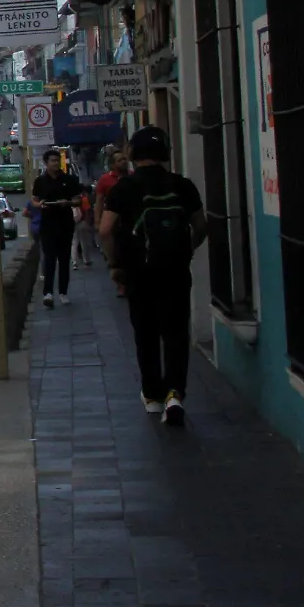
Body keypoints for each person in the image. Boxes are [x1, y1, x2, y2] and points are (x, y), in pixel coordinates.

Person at [100, 126, 208, 426]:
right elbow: (201, 226)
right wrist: (186, 251)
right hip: (175, 272)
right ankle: (175, 393)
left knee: (145, 335)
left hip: (139, 274)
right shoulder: (183, 186)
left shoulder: (123, 188)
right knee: (176, 333)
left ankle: (152, 396)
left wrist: (115, 264)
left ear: (133, 154)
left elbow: (105, 230)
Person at [32, 149, 83, 307]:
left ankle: (63, 291)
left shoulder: (69, 179)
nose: (55, 163)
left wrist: (67, 203)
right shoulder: (40, 181)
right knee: (49, 260)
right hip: (47, 224)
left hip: (65, 223)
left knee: (64, 259)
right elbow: (34, 200)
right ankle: (48, 293)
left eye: (57, 160)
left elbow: (77, 200)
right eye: (52, 160)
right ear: (46, 163)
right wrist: (39, 205)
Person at [94, 147, 131, 298]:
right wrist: (98, 220)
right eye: (120, 160)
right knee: (117, 252)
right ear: (113, 164)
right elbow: (99, 201)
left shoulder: (133, 177)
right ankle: (121, 284)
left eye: (124, 159)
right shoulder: (105, 180)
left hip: (130, 220)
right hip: (113, 221)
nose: (124, 162)